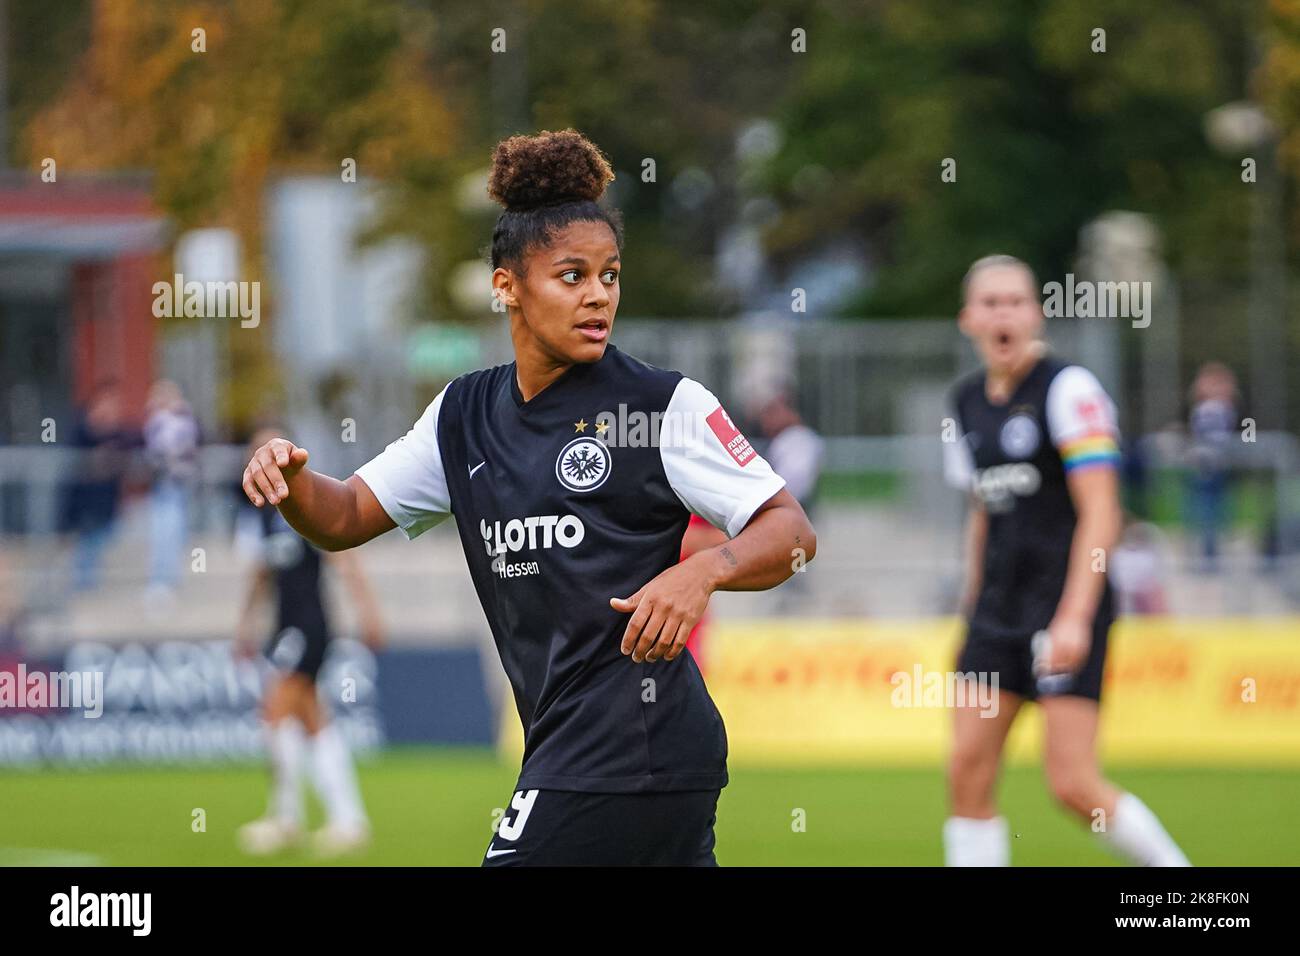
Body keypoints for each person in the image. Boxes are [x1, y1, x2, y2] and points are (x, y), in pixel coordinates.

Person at [240, 129, 816, 866]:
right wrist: (288, 481)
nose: (598, 294)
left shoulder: (659, 405)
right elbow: (344, 515)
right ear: (506, 284)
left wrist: (703, 571)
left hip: (629, 744)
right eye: (571, 276)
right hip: (581, 747)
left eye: (609, 274)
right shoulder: (462, 415)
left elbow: (792, 531)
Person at [942, 254, 1188, 867]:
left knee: (1073, 786)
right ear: (968, 318)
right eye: (991, 303)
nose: (1005, 314)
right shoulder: (965, 400)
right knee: (967, 771)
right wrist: (971, 608)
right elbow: (982, 511)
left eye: (1017, 301)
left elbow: (1102, 512)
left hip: (1063, 604)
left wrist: (1076, 615)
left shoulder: (1068, 388)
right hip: (997, 611)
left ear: (1037, 313)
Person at [234, 427, 384, 858]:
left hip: (311, 625)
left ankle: (288, 818)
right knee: (309, 718)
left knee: (276, 708)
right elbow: (260, 577)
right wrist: (245, 626)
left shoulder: (306, 501)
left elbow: (344, 558)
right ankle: (347, 819)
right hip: (283, 628)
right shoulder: (260, 513)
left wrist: (368, 613)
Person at [142, 379, 200, 602]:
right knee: (163, 533)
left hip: (175, 483)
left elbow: (172, 448)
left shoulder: (178, 420)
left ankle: (166, 579)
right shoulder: (160, 420)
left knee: (171, 532)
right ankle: (162, 579)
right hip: (165, 484)